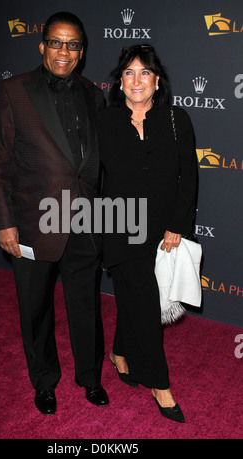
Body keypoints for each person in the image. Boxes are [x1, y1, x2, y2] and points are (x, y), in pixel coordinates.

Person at [0, 11, 109, 416]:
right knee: (35, 307)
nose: (63, 51)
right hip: (32, 222)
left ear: (81, 51)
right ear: (42, 45)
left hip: (85, 221)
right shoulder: (13, 90)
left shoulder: (94, 93)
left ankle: (90, 377)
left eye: (72, 44)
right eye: (56, 42)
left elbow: (97, 161)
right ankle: (44, 381)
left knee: (85, 304)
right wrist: (4, 222)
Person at [96, 44, 197, 423]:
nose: (137, 80)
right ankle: (159, 383)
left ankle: (120, 351)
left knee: (135, 298)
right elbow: (91, 177)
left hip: (162, 227)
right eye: (129, 73)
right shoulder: (104, 121)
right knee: (142, 298)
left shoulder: (176, 119)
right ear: (119, 82)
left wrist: (178, 225)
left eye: (145, 73)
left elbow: (188, 177)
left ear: (157, 80)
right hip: (120, 226)